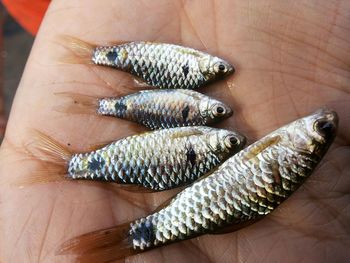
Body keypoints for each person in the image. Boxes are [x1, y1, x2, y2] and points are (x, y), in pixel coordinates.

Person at [0, 1, 349, 262]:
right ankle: (140, 232)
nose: (324, 119)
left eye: (321, 128)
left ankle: (137, 234)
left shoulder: (279, 151)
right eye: (323, 128)